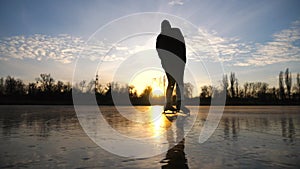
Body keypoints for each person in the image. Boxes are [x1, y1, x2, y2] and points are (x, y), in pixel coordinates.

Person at [156, 20, 190, 114]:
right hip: (169, 64)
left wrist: (183, 60)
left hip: (179, 62)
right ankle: (168, 105)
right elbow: (160, 51)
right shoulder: (161, 37)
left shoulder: (176, 32)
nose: (165, 29)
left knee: (179, 83)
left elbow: (182, 45)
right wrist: (165, 62)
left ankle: (179, 104)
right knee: (172, 83)